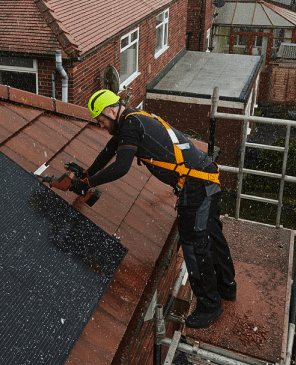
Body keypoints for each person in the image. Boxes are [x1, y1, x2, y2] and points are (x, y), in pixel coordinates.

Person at [74, 89, 236, 328]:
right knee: (212, 234)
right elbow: (109, 151)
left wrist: (87, 184)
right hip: (206, 176)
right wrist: (87, 173)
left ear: (110, 110)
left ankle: (210, 306)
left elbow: (120, 168)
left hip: (195, 186)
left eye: (101, 121)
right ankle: (226, 287)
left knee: (194, 245)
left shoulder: (130, 126)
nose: (101, 126)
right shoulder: (134, 118)